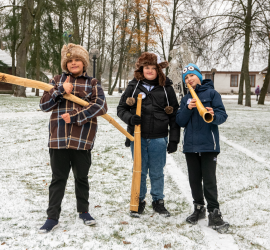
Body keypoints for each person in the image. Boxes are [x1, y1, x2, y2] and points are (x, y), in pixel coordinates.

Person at [38, 43, 107, 233]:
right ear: (65, 64)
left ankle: (84, 211)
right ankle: (52, 217)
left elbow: (101, 106)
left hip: (82, 140)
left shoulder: (92, 83)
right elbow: (44, 106)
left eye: (77, 60)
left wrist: (76, 117)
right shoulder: (56, 81)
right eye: (70, 61)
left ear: (84, 63)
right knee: (58, 179)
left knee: (81, 178)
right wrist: (60, 90)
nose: (73, 63)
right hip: (58, 139)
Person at [117, 52, 180, 218]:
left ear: (159, 70)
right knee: (139, 170)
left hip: (159, 138)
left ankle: (158, 201)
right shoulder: (134, 86)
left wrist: (173, 139)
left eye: (153, 68)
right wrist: (130, 118)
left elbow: (174, 115)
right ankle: (138, 200)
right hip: (138, 137)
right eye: (147, 67)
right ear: (141, 68)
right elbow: (121, 109)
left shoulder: (167, 88)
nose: (150, 71)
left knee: (157, 171)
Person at [176, 63, 229, 233]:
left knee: (209, 180)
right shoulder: (185, 99)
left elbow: (222, 115)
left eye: (191, 75)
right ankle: (199, 208)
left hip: (209, 145)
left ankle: (214, 212)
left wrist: (213, 115)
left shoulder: (212, 93)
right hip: (190, 147)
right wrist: (187, 108)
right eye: (186, 78)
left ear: (198, 76)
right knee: (194, 180)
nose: (189, 79)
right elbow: (180, 121)